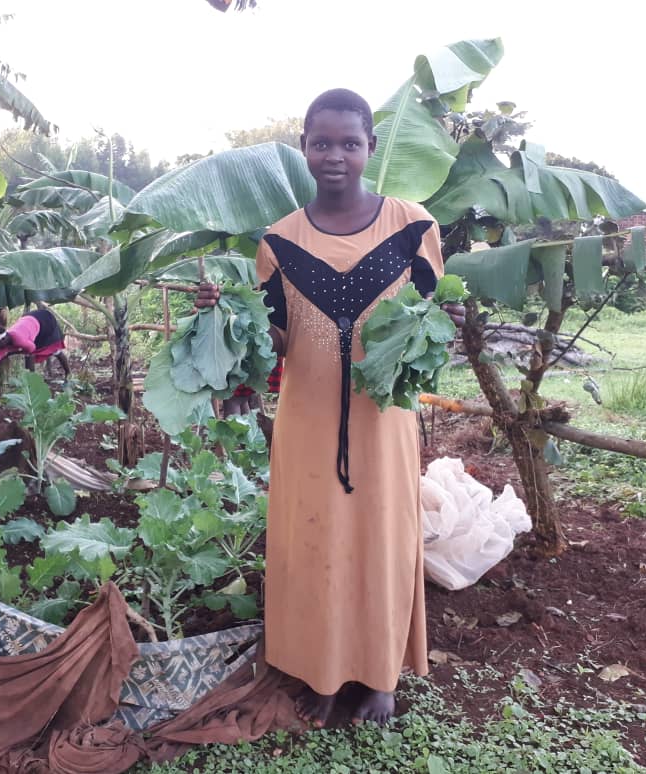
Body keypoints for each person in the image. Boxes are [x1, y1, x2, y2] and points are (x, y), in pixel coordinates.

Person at [196, 89, 461, 728]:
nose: (335, 155)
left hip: (383, 423)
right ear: (305, 149)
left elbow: (430, 329)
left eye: (349, 142)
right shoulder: (278, 244)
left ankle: (378, 677)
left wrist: (438, 326)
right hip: (307, 419)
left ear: (370, 147)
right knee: (310, 541)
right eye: (321, 143)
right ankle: (319, 666)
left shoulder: (413, 228)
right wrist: (226, 317)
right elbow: (276, 342)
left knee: (380, 539)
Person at [0, 307, 70, 383]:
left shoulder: (18, 339)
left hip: (44, 320)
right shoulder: (3, 344)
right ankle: (30, 383)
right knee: (28, 354)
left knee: (55, 351)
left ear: (4, 339)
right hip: (28, 322)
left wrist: (10, 353)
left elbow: (31, 348)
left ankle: (68, 374)